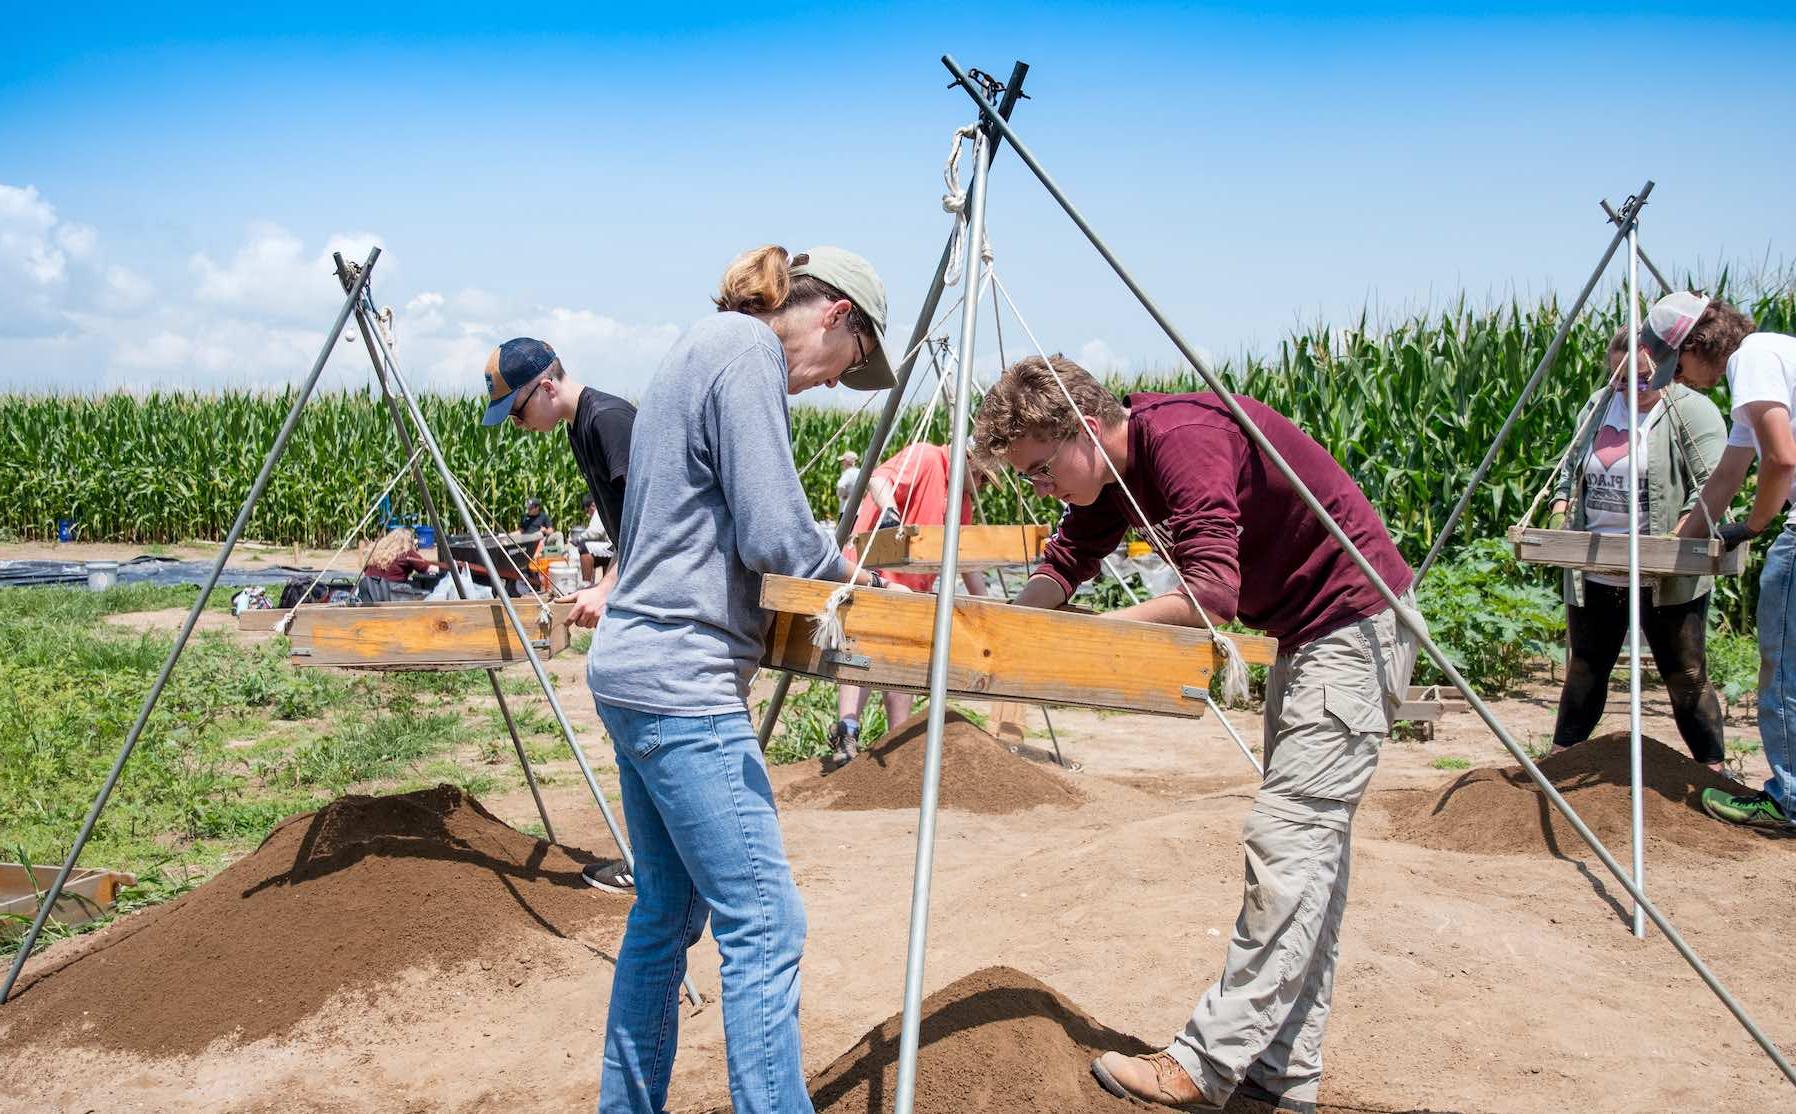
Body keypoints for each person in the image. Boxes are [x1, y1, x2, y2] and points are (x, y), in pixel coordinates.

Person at [973, 355, 1423, 1114]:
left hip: (1353, 628)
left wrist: (1094, 636)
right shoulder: (1114, 476)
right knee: (1309, 864)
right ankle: (1285, 1072)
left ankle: (1205, 1067)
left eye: (1043, 470)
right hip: (1310, 637)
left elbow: (1211, 591)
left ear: (1083, 429)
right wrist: (1015, 631)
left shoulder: (1182, 438)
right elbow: (1068, 559)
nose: (1041, 489)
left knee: (1289, 846)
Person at [586, 245, 901, 1114]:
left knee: (664, 915)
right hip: (684, 680)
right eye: (850, 365)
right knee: (765, 924)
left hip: (632, 668)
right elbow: (774, 533)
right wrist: (849, 576)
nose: (834, 383)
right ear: (835, 313)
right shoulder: (748, 352)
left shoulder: (701, 343)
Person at [481, 335, 639, 891]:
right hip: (639, 584)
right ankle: (651, 862)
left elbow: (655, 520)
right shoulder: (580, 426)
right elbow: (626, 530)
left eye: (517, 411)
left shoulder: (609, 420)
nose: (518, 425)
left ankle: (654, 868)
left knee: (637, 716)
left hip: (668, 596)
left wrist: (608, 589)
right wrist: (600, 583)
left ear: (546, 386)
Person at [1545, 327, 1727, 770]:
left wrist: (1673, 543)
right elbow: (1570, 468)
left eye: (1644, 377)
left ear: (1669, 367)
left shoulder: (1692, 411)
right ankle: (1559, 763)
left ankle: (1714, 770)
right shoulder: (1600, 404)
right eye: (1621, 378)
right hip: (1596, 565)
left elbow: (1712, 486)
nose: (1632, 387)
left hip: (1667, 572)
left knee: (1684, 674)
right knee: (1586, 668)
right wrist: (1560, 509)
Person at [1658, 292, 1796, 830]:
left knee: (1783, 668)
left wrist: (1755, 526)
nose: (1684, 378)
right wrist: (1680, 542)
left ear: (1699, 345)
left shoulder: (1753, 357)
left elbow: (1782, 460)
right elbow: (1727, 475)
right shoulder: (1778, 356)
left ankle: (1787, 802)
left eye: (1681, 364)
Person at [827, 442, 990, 764]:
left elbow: (965, 556)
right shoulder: (926, 456)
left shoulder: (962, 498)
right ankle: (848, 731)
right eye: (983, 477)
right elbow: (877, 480)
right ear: (970, 460)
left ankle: (897, 744)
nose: (983, 485)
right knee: (862, 653)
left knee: (905, 661)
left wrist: (984, 605)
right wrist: (890, 513)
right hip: (873, 573)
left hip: (910, 587)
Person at [357, 526, 454, 602]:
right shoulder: (406, 553)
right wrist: (451, 569)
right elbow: (427, 568)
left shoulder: (375, 552)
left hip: (370, 591)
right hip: (392, 593)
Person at [572, 494, 615, 587]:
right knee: (597, 547)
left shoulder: (599, 510)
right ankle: (605, 584)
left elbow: (595, 532)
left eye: (587, 511)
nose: (588, 515)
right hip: (614, 547)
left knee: (584, 547)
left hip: (614, 548)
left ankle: (586, 584)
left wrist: (579, 539)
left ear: (592, 506)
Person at [834, 449, 861, 522]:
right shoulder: (860, 472)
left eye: (843, 461)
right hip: (859, 510)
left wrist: (842, 494)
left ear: (847, 462)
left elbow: (841, 486)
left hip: (846, 509)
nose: (842, 463)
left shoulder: (848, 473)